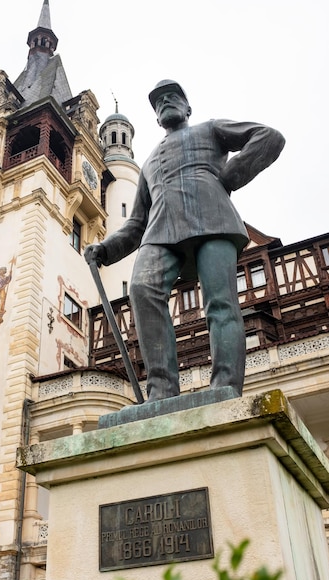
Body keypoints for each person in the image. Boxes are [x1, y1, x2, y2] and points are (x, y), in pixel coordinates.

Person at [85, 80, 285, 402]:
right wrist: (106, 249)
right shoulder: (148, 163)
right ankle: (161, 391)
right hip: (160, 233)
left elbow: (268, 137)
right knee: (141, 289)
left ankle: (226, 385)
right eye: (159, 102)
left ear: (187, 108)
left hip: (213, 221)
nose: (165, 103)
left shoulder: (210, 128)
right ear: (155, 118)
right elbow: (137, 223)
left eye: (172, 98)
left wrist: (231, 175)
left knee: (220, 303)